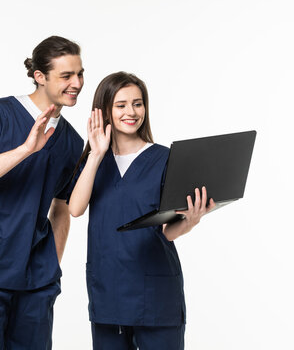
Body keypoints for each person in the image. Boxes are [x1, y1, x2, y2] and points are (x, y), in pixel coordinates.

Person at [0, 36, 84, 349]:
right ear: (40, 76)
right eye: (66, 76)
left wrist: (52, 264)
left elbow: (62, 208)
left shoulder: (71, 142)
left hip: (36, 279)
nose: (76, 83)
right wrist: (25, 149)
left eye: (80, 74)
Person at [68, 71, 215, 349]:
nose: (131, 112)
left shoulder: (164, 159)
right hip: (108, 293)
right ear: (105, 111)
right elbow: (75, 208)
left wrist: (191, 221)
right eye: (121, 105)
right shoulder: (95, 162)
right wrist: (96, 154)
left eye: (138, 103)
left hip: (155, 295)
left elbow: (167, 231)